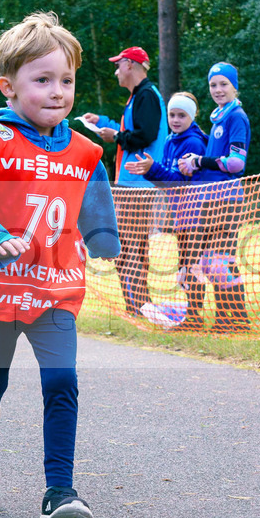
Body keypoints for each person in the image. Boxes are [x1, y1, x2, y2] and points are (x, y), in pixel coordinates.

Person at [0, 12, 120, 518]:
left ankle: (59, 493)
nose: (57, 91)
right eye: (42, 80)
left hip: (55, 288)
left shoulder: (86, 151)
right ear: (9, 85)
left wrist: (103, 240)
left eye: (66, 80)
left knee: (63, 381)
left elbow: (94, 199)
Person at [81, 46, 167, 317]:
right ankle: (139, 305)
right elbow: (135, 130)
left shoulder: (146, 96)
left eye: (119, 65)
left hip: (138, 185)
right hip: (133, 183)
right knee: (132, 245)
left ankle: (138, 305)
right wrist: (103, 123)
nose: (117, 71)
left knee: (128, 245)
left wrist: (115, 137)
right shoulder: (138, 97)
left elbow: (146, 135)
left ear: (130, 65)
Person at [124, 92, 210, 331]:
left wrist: (154, 169)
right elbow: (167, 183)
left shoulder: (193, 142)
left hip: (196, 214)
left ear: (191, 117)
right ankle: (191, 314)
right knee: (185, 266)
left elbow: (180, 183)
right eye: (172, 114)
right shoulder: (171, 140)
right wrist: (149, 171)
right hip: (180, 214)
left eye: (181, 115)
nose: (175, 119)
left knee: (192, 266)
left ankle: (194, 316)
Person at [177, 62, 251, 333]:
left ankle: (238, 319)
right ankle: (224, 319)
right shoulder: (220, 116)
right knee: (210, 261)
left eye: (223, 84)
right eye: (213, 85)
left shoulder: (236, 117)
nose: (218, 90)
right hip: (211, 199)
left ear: (235, 86)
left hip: (227, 198)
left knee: (220, 261)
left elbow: (236, 163)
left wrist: (199, 161)